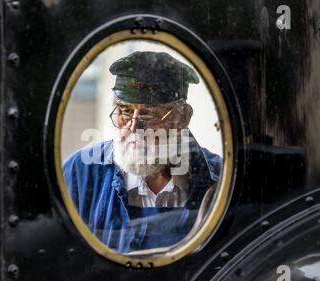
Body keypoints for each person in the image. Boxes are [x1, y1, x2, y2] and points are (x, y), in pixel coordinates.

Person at [63, 51, 222, 253]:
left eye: (149, 113)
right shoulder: (80, 173)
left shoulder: (222, 180)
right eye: (125, 111)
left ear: (183, 118)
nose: (134, 127)